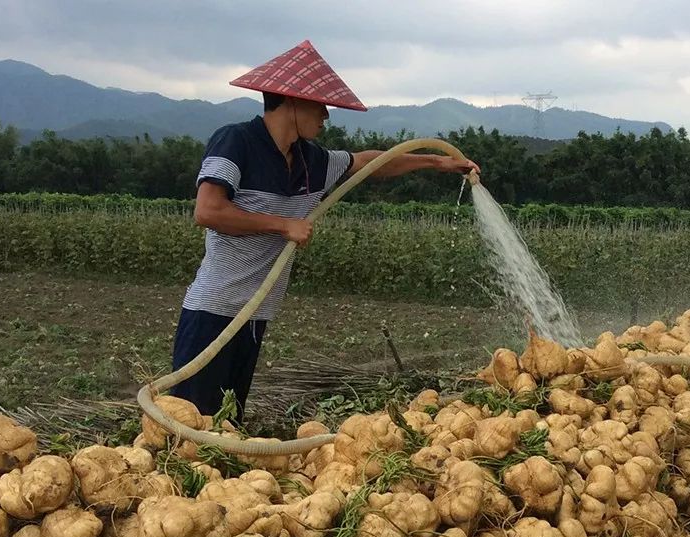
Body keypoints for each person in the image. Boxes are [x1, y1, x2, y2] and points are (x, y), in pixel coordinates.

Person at [171, 40, 481, 417]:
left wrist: (436, 162)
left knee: (227, 424)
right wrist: (283, 224)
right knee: (188, 429)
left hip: (254, 317)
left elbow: (370, 164)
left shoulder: (310, 160)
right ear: (291, 101)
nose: (327, 116)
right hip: (213, 314)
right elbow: (208, 210)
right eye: (320, 105)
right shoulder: (237, 141)